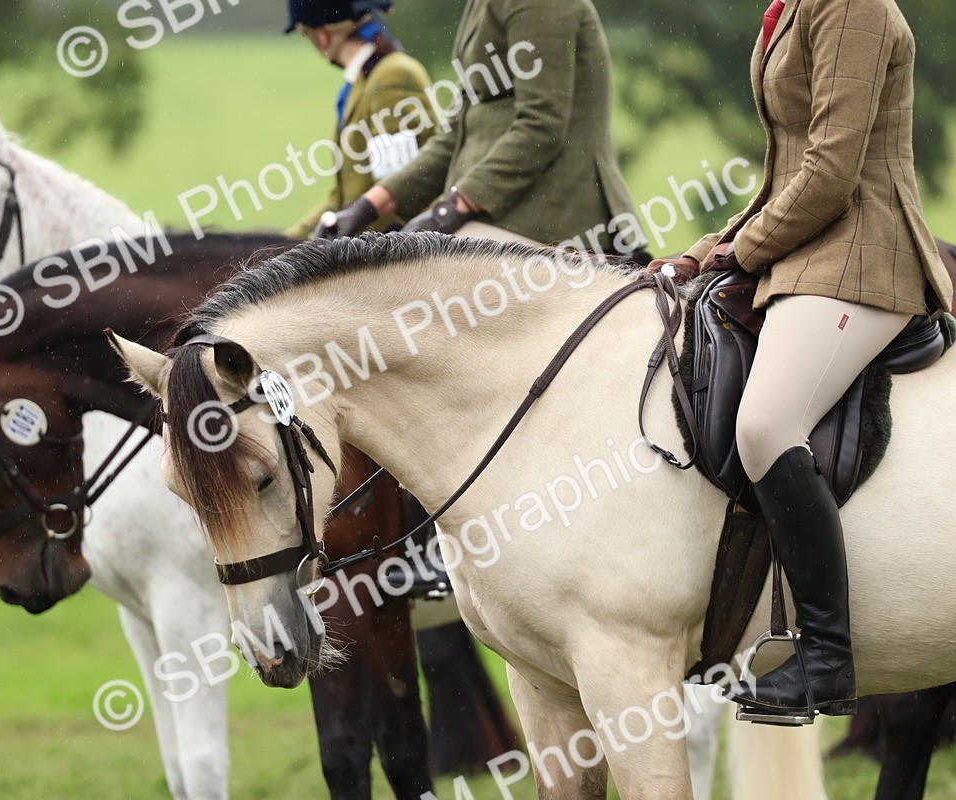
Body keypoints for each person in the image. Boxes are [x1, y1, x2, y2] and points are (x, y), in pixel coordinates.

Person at [650, 0, 953, 720]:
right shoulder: (792, 8)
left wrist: (745, 253)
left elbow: (831, 171)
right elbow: (783, 171)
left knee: (765, 424)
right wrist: (702, 252)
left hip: (861, 256)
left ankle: (824, 660)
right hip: (809, 249)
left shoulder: (853, 7)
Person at [318, 0, 645, 259]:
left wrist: (451, 210)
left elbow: (542, 126)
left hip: (550, 215)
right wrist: (368, 206)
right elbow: (453, 137)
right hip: (502, 212)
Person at [284, 0, 436, 238]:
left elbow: (402, 189)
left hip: (389, 253)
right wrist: (281, 245)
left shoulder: (392, 76)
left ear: (322, 36)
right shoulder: (361, 84)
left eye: (306, 33)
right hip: (360, 244)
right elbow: (341, 197)